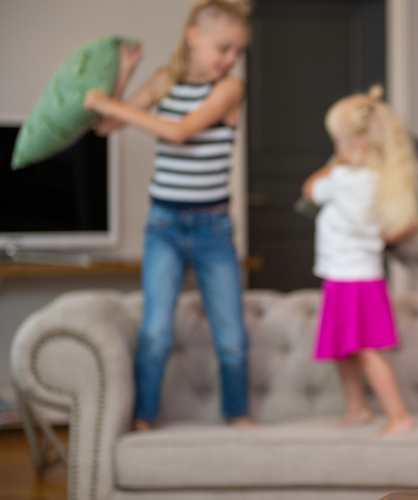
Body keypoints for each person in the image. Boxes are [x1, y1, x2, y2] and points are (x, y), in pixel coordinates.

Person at [83, 0, 254, 431]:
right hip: (164, 225)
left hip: (213, 228)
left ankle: (238, 415)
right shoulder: (163, 81)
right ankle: (143, 418)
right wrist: (123, 76)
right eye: (223, 48)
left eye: (237, 52)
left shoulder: (229, 89)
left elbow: (179, 132)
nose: (230, 59)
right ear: (194, 36)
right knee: (156, 331)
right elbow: (105, 127)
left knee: (231, 337)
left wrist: (108, 101)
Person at [301, 87, 418, 436]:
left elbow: (308, 190)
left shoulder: (341, 179)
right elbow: (388, 236)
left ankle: (398, 416)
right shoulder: (382, 184)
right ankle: (358, 408)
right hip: (359, 276)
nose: (334, 151)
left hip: (348, 279)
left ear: (357, 147)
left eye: (337, 143)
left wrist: (337, 162)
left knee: (363, 351)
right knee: (344, 350)